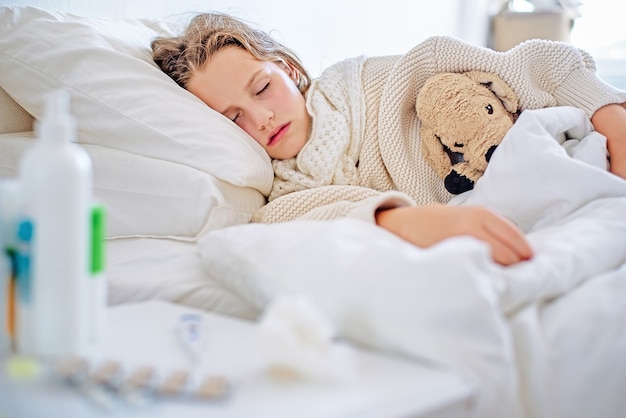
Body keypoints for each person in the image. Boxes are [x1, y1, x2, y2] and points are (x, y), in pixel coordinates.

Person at [152, 12, 626, 266]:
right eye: (233, 118)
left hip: (577, 155)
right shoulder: (287, 194)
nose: (260, 117)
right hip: (520, 231)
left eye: (262, 88)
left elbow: (545, 63)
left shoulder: (379, 81)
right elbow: (280, 224)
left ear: (290, 70)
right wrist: (407, 222)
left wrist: (615, 124)